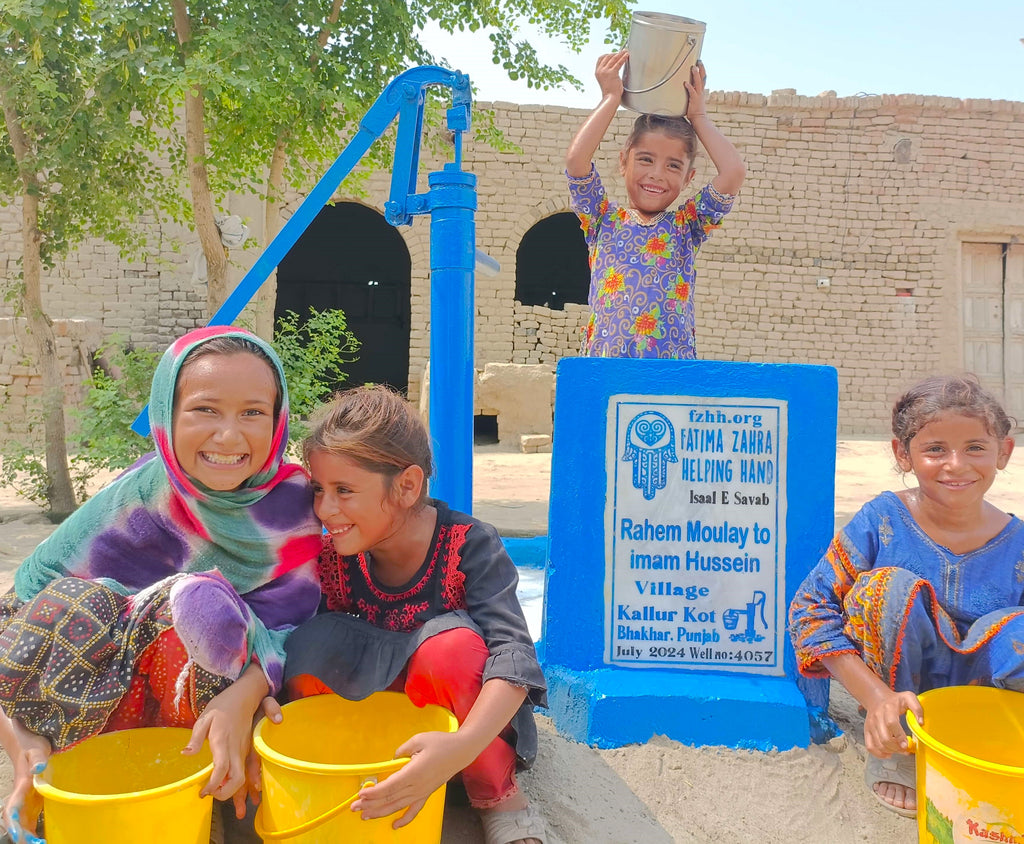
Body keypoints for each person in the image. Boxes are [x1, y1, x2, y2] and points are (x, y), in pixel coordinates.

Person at [0, 326, 323, 842]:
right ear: (166, 416)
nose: (228, 436)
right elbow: (19, 629)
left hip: (214, 714)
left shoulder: (293, 510)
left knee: (206, 617)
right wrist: (26, 755)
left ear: (278, 420)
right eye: (205, 409)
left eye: (253, 412)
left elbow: (294, 628)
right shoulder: (135, 502)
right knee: (73, 604)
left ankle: (210, 791)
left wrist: (243, 698)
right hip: (101, 733)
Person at [282, 385, 547, 844]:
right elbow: (315, 661)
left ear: (407, 486)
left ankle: (499, 798)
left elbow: (514, 656)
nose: (325, 509)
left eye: (344, 490)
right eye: (319, 490)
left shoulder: (469, 545)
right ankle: (352, 777)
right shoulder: (334, 557)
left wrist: (461, 747)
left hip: (467, 741)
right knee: (310, 642)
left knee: (452, 649)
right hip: (388, 739)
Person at [789, 374, 1024, 817]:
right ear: (904, 454)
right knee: (887, 590)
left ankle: (998, 749)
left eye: (975, 447)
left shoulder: (1018, 544)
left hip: (982, 702)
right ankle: (894, 749)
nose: (956, 464)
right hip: (897, 692)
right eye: (935, 449)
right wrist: (878, 698)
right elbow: (809, 609)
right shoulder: (883, 520)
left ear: (1004, 453)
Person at [565, 51, 745, 359]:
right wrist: (611, 97)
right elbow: (576, 162)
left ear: (689, 177)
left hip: (670, 377)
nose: (656, 175)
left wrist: (698, 118)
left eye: (673, 166)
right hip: (605, 369)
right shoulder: (602, 219)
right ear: (623, 161)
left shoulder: (688, 226)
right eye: (645, 159)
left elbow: (733, 173)